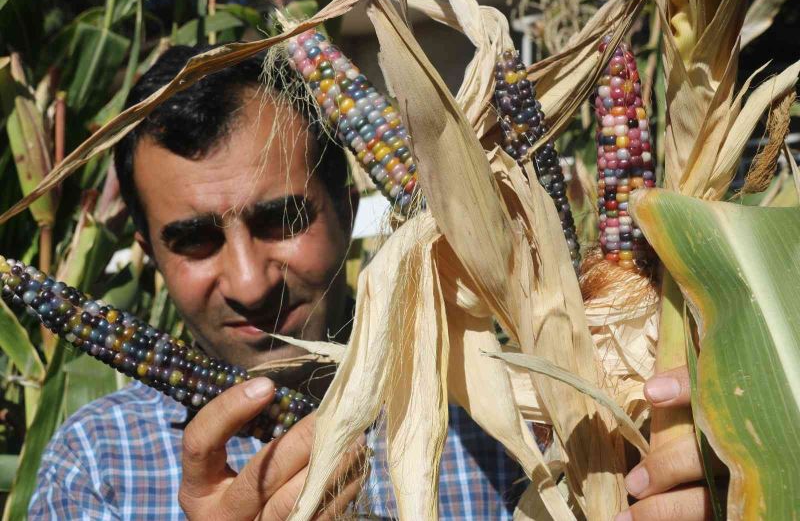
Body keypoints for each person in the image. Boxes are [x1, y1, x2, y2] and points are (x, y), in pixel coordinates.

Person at [28, 45, 713, 520]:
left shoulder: (529, 417)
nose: (247, 280)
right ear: (147, 248)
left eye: (282, 218)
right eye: (194, 238)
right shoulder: (98, 466)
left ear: (349, 207)